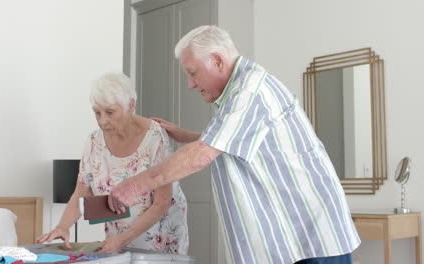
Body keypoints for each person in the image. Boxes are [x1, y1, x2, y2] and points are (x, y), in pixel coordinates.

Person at [107, 25, 361, 263]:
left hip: (312, 234)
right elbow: (240, 142)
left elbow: (203, 155)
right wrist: (187, 135)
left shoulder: (250, 92)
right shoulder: (240, 93)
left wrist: (134, 186)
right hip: (292, 233)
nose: (190, 84)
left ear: (217, 60)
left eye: (193, 73)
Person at [37, 73, 188, 254]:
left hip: (160, 238)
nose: (102, 121)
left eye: (109, 112)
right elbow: (81, 193)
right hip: (117, 240)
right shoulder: (93, 142)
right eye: (97, 113)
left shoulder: (155, 137)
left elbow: (161, 204)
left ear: (131, 105)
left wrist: (123, 240)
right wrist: (62, 226)